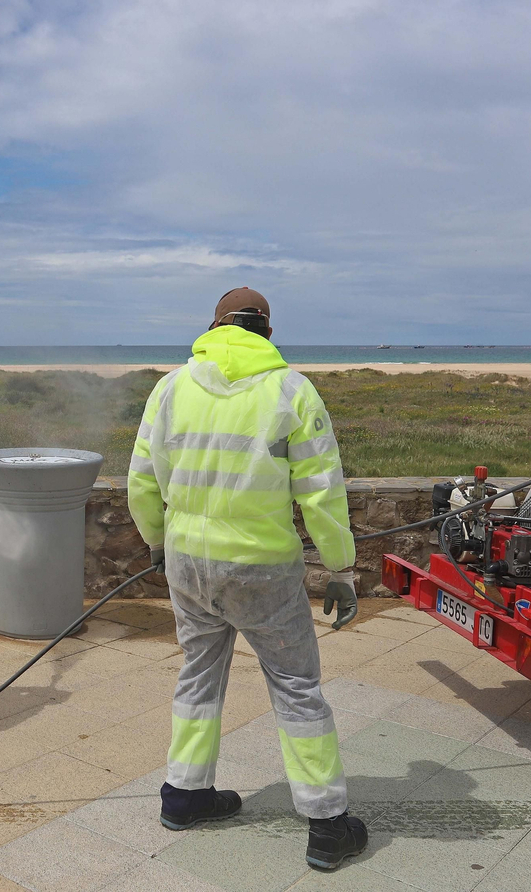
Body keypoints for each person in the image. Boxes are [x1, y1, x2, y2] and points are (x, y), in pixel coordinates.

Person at [126, 287, 367, 870]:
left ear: (213, 325)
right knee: (295, 685)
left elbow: (141, 480)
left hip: (188, 561)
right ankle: (327, 822)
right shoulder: (291, 390)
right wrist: (340, 568)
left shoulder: (171, 387)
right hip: (262, 567)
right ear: (268, 331)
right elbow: (322, 491)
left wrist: (158, 543)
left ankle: (184, 794)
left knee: (198, 673)